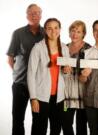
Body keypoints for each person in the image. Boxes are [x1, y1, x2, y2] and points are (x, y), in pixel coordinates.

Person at [27, 18, 70, 135]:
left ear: (60, 30)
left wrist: (67, 71)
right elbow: (30, 74)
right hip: (41, 97)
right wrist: (33, 98)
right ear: (45, 30)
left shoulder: (65, 48)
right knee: (39, 128)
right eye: (49, 28)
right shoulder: (38, 48)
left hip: (59, 98)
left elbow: (65, 76)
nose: (53, 31)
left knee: (56, 128)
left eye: (56, 28)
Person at [6, 4, 43, 135]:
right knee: (17, 119)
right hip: (20, 85)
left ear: (41, 15)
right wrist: (19, 74)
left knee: (38, 121)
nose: (35, 15)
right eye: (32, 13)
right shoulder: (18, 33)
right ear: (27, 15)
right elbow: (10, 59)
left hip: (39, 85)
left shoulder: (46, 34)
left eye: (38, 13)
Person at [63, 20, 91, 135]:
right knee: (65, 122)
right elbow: (60, 71)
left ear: (83, 34)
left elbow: (90, 74)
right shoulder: (63, 48)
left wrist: (84, 75)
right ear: (69, 33)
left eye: (78, 31)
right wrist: (64, 71)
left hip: (82, 94)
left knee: (81, 125)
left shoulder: (89, 49)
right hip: (65, 95)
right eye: (73, 31)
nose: (75, 34)